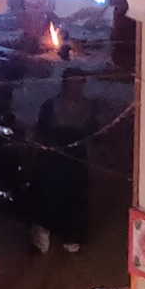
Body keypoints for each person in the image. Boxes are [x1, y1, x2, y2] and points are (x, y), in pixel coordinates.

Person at [30, 74, 97, 253]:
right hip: (53, 159)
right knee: (49, 195)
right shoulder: (50, 105)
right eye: (72, 84)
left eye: (79, 84)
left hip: (76, 161)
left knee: (75, 197)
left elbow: (95, 134)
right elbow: (40, 132)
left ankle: (72, 237)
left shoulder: (89, 107)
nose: (76, 88)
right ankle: (43, 236)